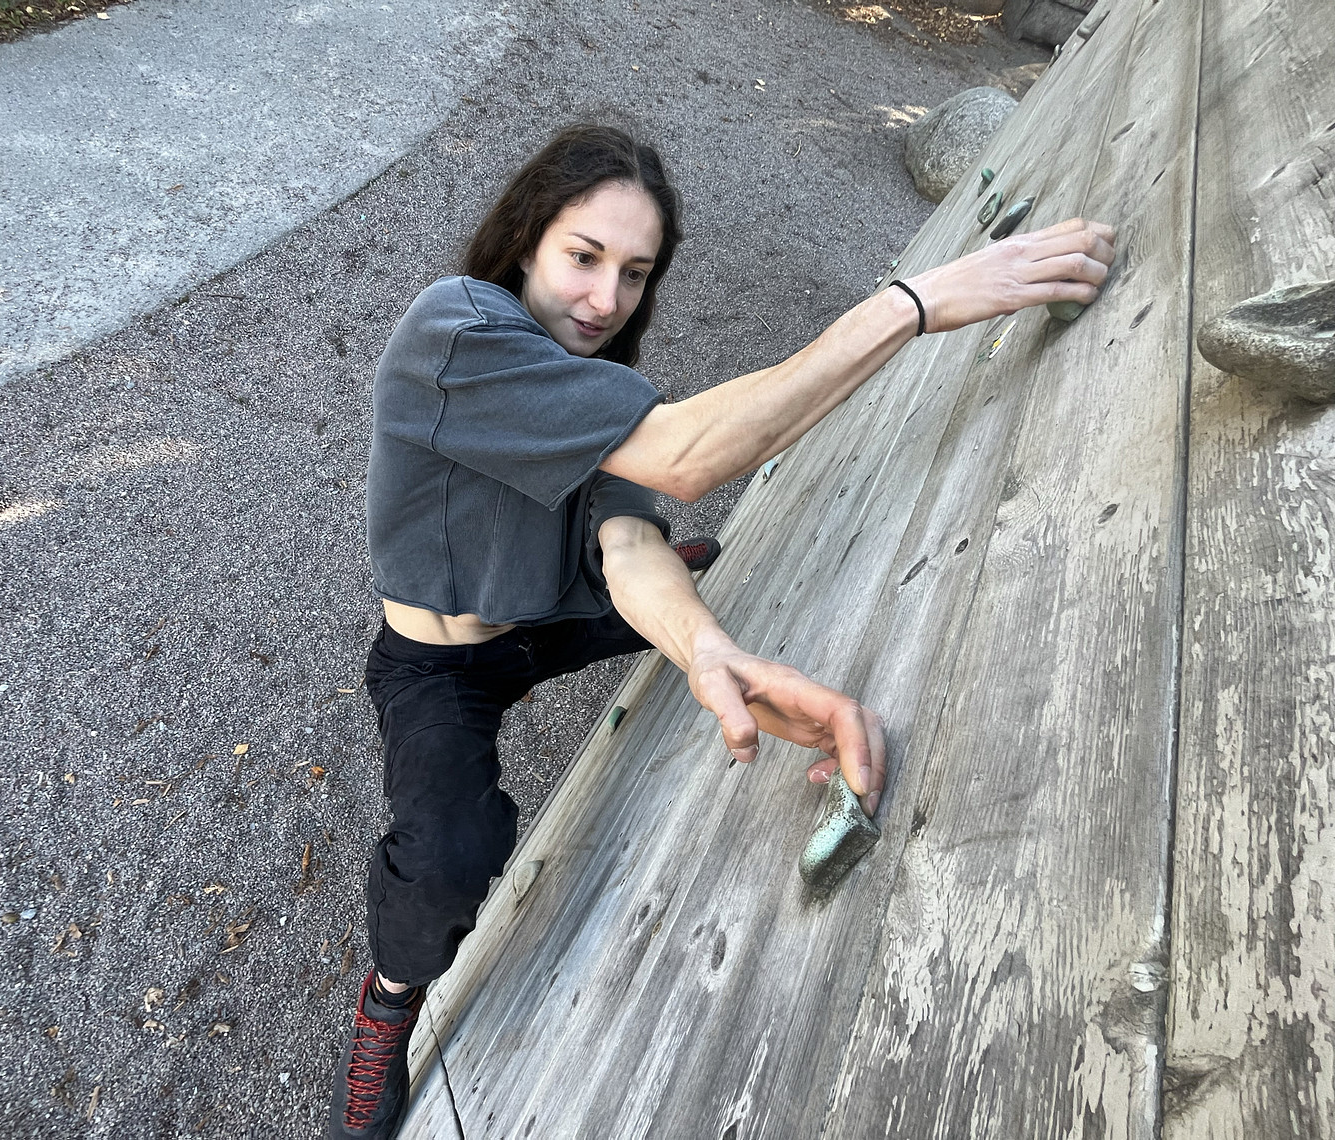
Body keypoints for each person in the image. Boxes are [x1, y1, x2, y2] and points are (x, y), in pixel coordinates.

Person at [329, 124, 1115, 1139]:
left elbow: (624, 537)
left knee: (671, 574)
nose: (605, 299)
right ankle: (389, 997)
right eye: (583, 256)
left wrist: (708, 651)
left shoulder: (583, 368)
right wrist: (912, 305)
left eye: (634, 273)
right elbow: (690, 457)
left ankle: (676, 619)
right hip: (442, 663)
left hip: (555, 607)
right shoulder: (457, 333)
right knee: (450, 855)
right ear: (525, 239)